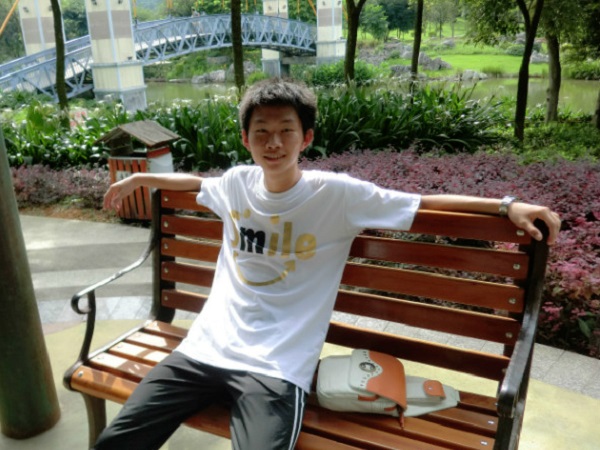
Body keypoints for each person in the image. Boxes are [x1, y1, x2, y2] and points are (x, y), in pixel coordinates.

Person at [99, 78, 561, 450]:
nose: (273, 142)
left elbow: (418, 203)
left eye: (286, 130)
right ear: (245, 139)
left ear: (307, 137)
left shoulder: (336, 195)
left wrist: (506, 206)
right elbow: (196, 182)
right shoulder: (236, 183)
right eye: (261, 131)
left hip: (275, 367)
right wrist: (144, 178)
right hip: (202, 350)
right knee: (116, 442)